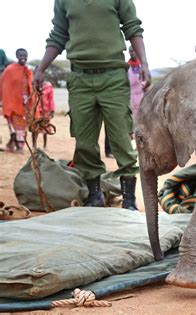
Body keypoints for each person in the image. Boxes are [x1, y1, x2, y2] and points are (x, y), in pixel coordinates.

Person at [33, 0, 151, 210]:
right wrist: (41, 68)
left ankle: (129, 200)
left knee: (122, 141)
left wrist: (144, 63)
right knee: (84, 142)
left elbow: (133, 27)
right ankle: (94, 196)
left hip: (113, 77)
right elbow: (58, 34)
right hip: (80, 79)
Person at [2, 48, 34, 154]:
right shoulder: (10, 70)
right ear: (16, 56)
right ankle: (19, 147)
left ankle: (12, 145)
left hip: (25, 104)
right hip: (13, 103)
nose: (23, 57)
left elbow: (30, 87)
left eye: (24, 55)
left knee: (23, 127)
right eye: (20, 55)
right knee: (17, 126)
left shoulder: (28, 70)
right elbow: (4, 86)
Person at [33, 81, 55, 149]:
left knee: (45, 127)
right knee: (35, 128)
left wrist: (52, 110)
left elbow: (51, 99)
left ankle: (45, 145)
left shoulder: (49, 86)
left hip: (45, 110)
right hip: (35, 110)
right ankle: (34, 145)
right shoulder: (34, 85)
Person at [128, 46, 145, 118]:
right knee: (133, 116)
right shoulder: (126, 66)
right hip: (131, 95)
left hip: (142, 94)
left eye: (134, 51)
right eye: (131, 51)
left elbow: (146, 81)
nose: (133, 53)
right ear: (129, 52)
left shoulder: (142, 66)